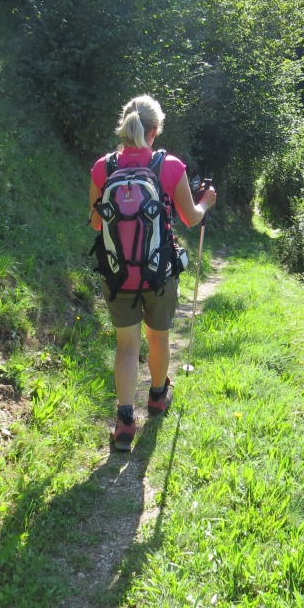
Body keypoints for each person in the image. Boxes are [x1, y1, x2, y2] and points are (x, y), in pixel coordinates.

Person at [88, 95, 217, 451]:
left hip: (117, 274)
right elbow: (191, 218)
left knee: (127, 346)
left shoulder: (103, 167)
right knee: (158, 338)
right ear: (155, 129)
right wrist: (206, 201)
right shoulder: (170, 166)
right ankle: (158, 397)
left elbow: (96, 222)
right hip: (159, 273)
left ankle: (124, 422)